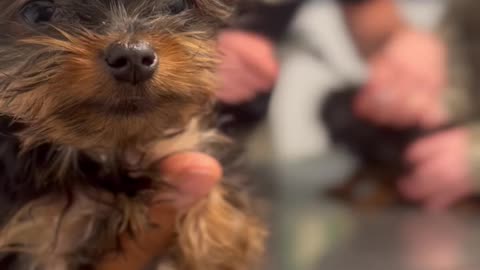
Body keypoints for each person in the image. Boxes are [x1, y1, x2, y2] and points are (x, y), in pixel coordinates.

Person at [98, 0, 477, 268]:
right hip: (82, 150)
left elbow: (379, 24)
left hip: (212, 161)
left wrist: (409, 44)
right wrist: (192, 53)